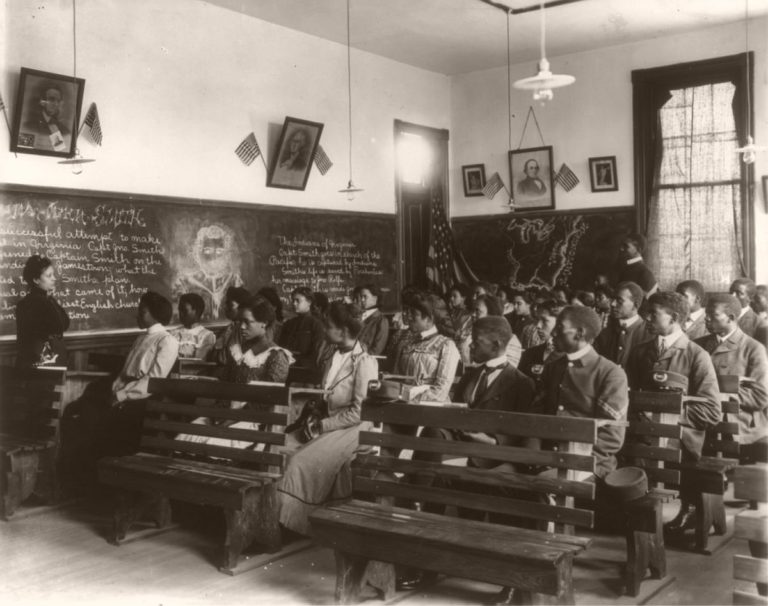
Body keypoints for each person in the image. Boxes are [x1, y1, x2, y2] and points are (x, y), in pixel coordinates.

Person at [396, 316, 536, 592]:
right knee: (433, 440)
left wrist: (491, 440)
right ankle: (425, 539)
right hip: (462, 451)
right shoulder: (472, 375)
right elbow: (460, 412)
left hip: (494, 458)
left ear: (496, 344)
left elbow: (523, 431)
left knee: (437, 475)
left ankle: (420, 506)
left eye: (477, 341)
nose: (470, 345)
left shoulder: (521, 383)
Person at [278, 302, 378, 535]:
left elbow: (359, 412)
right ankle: (273, 516)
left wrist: (323, 425)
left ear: (343, 331)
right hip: (326, 422)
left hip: (353, 429)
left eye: (328, 326)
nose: (323, 330)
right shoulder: (332, 356)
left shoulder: (364, 362)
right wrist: (315, 412)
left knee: (298, 462)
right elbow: (327, 396)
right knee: (279, 447)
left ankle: (294, 524)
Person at [625, 291, 721, 533]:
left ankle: (666, 514)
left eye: (653, 314)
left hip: (680, 439)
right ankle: (639, 517)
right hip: (641, 434)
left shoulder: (696, 355)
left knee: (650, 452)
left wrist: (664, 417)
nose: (646, 318)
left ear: (674, 317)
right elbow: (626, 397)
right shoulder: (639, 352)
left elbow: (711, 411)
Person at [536, 306, 629, 478]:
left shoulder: (610, 373)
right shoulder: (553, 368)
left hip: (591, 463)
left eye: (560, 328)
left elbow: (611, 436)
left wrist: (574, 461)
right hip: (548, 457)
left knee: (542, 482)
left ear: (579, 333)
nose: (554, 333)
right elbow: (538, 415)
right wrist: (534, 457)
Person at [696, 294, 768, 463]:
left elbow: (760, 397)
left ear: (731, 318)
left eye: (712, 315)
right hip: (703, 424)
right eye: (706, 314)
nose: (706, 319)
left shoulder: (753, 349)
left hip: (738, 430)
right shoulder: (697, 345)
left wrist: (723, 396)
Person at [107, 291, 179, 455]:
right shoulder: (140, 338)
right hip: (125, 392)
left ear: (156, 314)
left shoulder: (167, 340)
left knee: (117, 428)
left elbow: (153, 380)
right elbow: (125, 371)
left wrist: (123, 395)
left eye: (143, 311)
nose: (138, 315)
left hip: (144, 397)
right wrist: (116, 388)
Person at [394, 292, 460, 403]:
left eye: (414, 314)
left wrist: (412, 401)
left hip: (431, 408)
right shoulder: (407, 343)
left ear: (429, 319)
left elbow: (441, 391)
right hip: (404, 405)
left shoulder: (446, 345)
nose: (408, 317)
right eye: (408, 313)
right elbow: (397, 378)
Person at [171, 223, 244, 319]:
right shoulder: (184, 281)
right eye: (208, 251)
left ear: (226, 254)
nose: (214, 256)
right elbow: (178, 315)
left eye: (219, 251)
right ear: (198, 252)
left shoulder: (234, 280)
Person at [15, 255, 70, 368]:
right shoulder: (41, 302)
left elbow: (63, 323)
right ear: (36, 280)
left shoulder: (24, 303)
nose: (54, 278)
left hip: (28, 365)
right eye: (49, 275)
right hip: (40, 368)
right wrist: (50, 299)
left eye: (53, 274)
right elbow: (62, 325)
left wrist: (49, 298)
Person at [594, 281, 653, 369]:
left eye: (619, 301)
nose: (613, 304)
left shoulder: (649, 333)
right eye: (613, 299)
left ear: (635, 305)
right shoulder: (604, 328)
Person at [278, 287, 326, 375]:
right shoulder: (289, 324)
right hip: (285, 368)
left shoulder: (316, 325)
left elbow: (316, 353)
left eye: (297, 300)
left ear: (309, 302)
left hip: (305, 372)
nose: (294, 303)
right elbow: (281, 347)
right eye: (293, 300)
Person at [518, 299, 563, 386]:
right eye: (537, 320)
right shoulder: (529, 354)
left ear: (559, 324)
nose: (538, 326)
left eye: (545, 320)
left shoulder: (568, 356)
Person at [473, 294, 522, 367]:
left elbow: (506, 373)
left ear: (492, 315)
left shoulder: (511, 342)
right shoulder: (475, 334)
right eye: (473, 310)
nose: (473, 314)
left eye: (478, 311)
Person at [20, 82, 70, 152]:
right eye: (51, 99)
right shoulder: (29, 126)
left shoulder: (63, 129)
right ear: (42, 102)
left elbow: (59, 150)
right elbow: (24, 149)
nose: (55, 104)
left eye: (58, 101)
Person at [211, 286, 251, 368]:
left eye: (230, 305)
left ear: (242, 307)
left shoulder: (243, 330)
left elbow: (227, 358)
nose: (225, 307)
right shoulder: (229, 328)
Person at [170, 293, 216, 359]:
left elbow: (199, 359)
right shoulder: (173, 333)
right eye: (179, 310)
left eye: (184, 310)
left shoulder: (207, 336)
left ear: (196, 311)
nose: (180, 313)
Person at [352, 284, 389, 356]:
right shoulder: (358, 316)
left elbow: (376, 350)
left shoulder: (381, 320)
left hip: (366, 361)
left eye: (365, 297)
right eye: (361, 297)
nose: (362, 300)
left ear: (375, 299)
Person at [448, 284, 474, 366]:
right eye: (451, 296)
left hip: (463, 351)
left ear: (463, 298)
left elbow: (464, 336)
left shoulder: (469, 315)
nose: (451, 298)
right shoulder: (452, 313)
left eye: (454, 296)